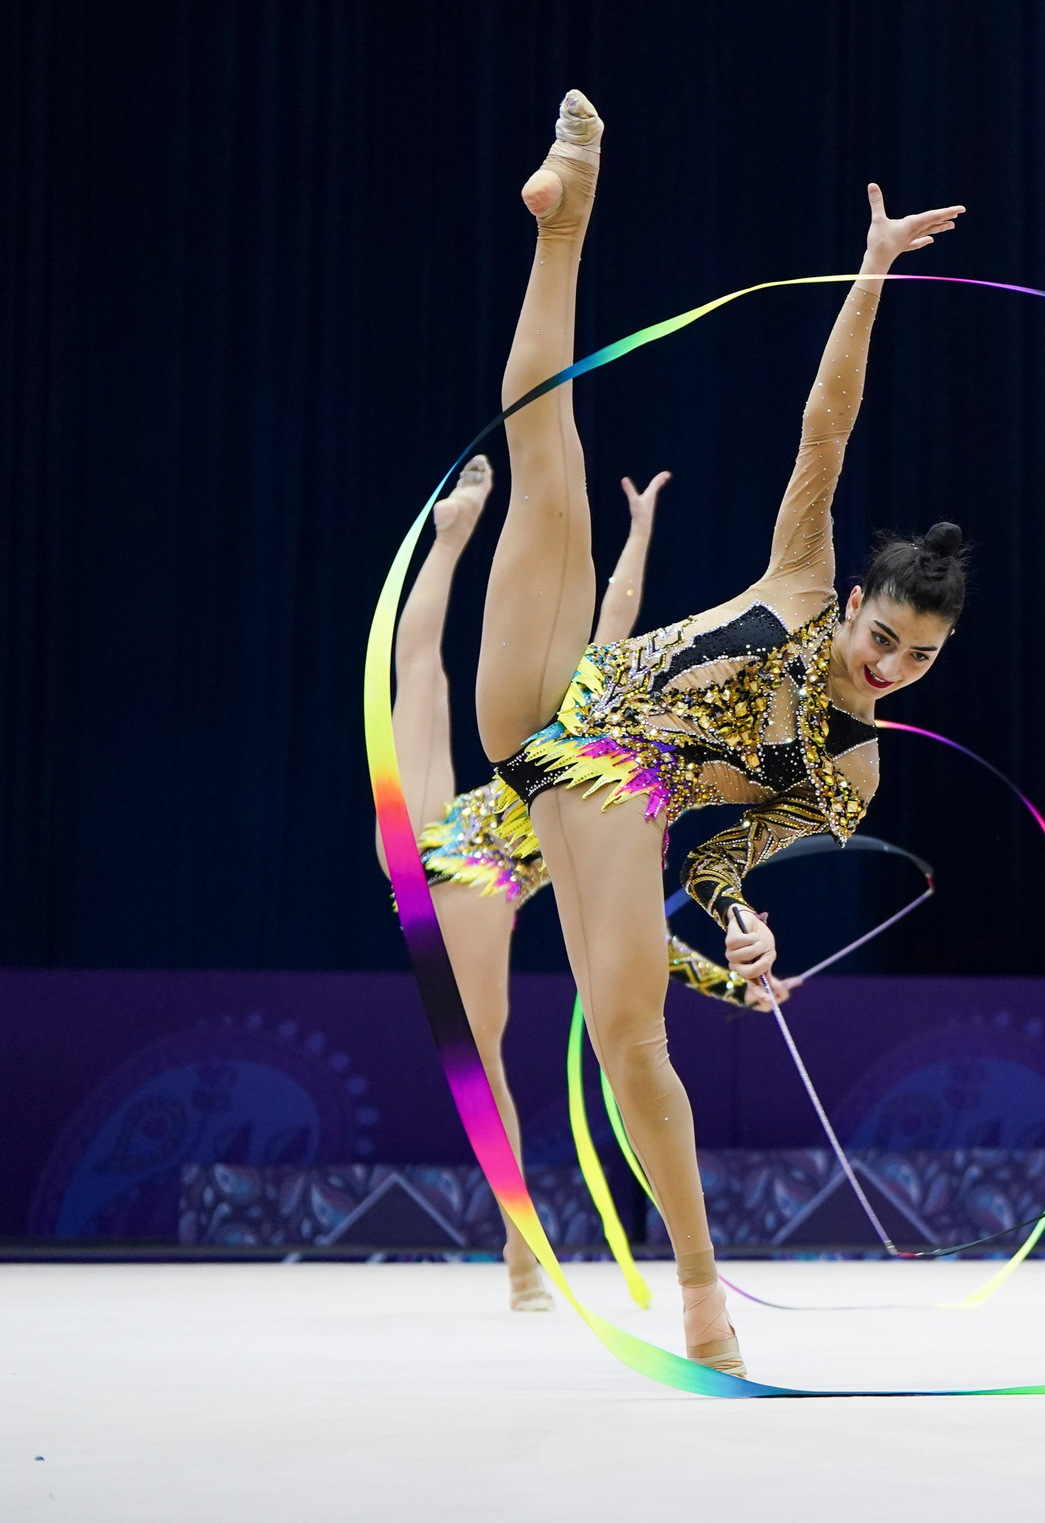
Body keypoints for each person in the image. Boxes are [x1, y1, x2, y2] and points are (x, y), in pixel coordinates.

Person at [472, 90, 968, 1375]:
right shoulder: (803, 578)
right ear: (855, 601)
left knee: (633, 1029)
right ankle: (564, 216)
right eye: (884, 637)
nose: (889, 666)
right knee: (550, 464)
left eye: (917, 660)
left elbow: (706, 864)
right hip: (564, 709)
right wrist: (867, 276)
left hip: (604, 796)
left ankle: (702, 1301)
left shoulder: (849, 774)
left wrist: (741, 925)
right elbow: (828, 423)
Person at [383, 456, 772, 1313]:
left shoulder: (633, 807)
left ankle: (520, 1256)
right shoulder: (607, 756)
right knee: (421, 673)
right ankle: (450, 538)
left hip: (486, 863)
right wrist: (635, 535)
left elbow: (639, 951)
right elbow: (616, 622)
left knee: (484, 1061)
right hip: (457, 852)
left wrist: (733, 989)